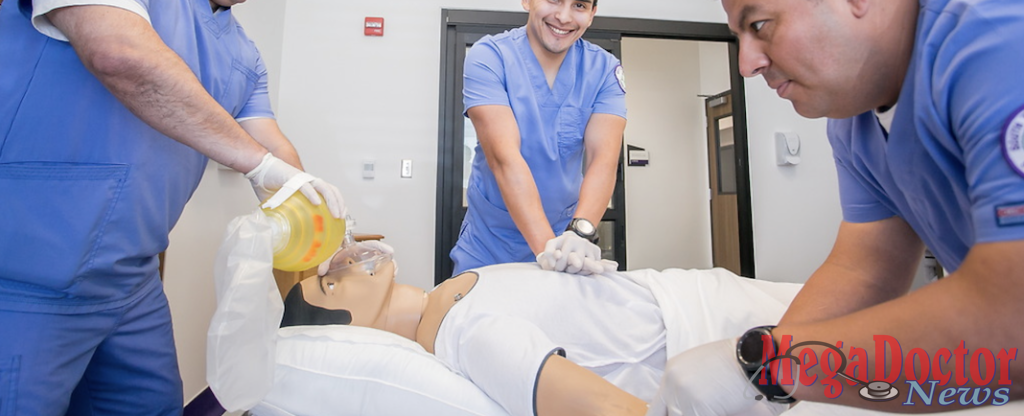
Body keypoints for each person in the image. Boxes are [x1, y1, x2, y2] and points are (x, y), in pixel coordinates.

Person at [645, 0, 1024, 415]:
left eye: (759, 26)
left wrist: (774, 367)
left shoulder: (1000, 28)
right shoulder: (854, 115)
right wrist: (758, 376)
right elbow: (865, 267)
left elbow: (1014, 315)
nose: (747, 65)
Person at [0, 0, 345, 415]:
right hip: (23, 270)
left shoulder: (243, 54)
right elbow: (121, 57)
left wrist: (327, 237)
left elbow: (272, 147)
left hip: (131, 282)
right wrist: (257, 166)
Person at [281, 241, 799, 416]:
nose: (338, 269)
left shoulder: (450, 295)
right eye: (329, 285)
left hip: (697, 295)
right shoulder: (461, 332)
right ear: (354, 328)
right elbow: (611, 409)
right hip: (719, 337)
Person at [450, 0, 628, 275]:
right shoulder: (490, 58)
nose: (563, 16)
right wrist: (550, 254)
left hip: (566, 238)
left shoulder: (604, 69)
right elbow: (505, 160)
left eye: (579, 5)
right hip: (490, 244)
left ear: (592, 14)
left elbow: (603, 161)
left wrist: (579, 234)